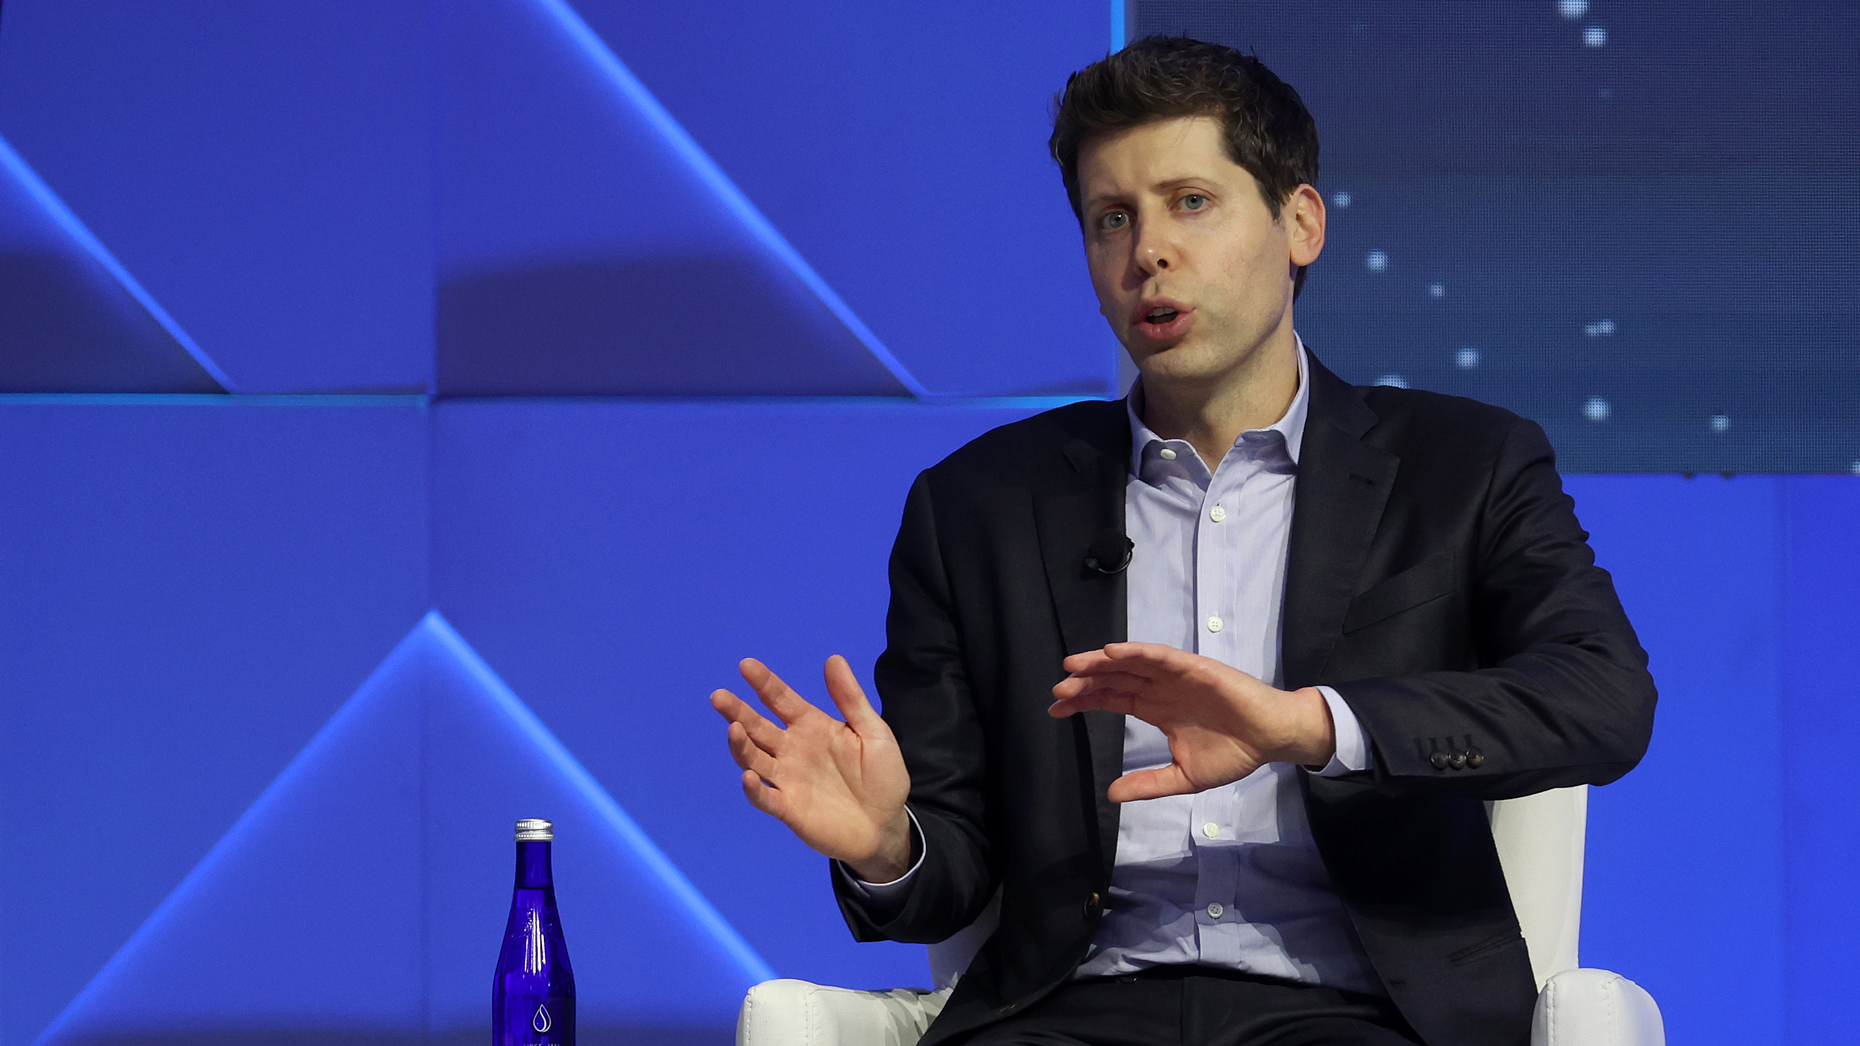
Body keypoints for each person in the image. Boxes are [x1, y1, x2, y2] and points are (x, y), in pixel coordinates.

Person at [710, 36, 1656, 1046]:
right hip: (1067, 1012)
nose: (1147, 252)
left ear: (1301, 223)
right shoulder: (978, 506)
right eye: (1111, 218)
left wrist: (1308, 724)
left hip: (1360, 1011)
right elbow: (952, 870)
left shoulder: (1462, 465)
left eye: (1190, 202)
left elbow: (1603, 699)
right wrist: (885, 844)